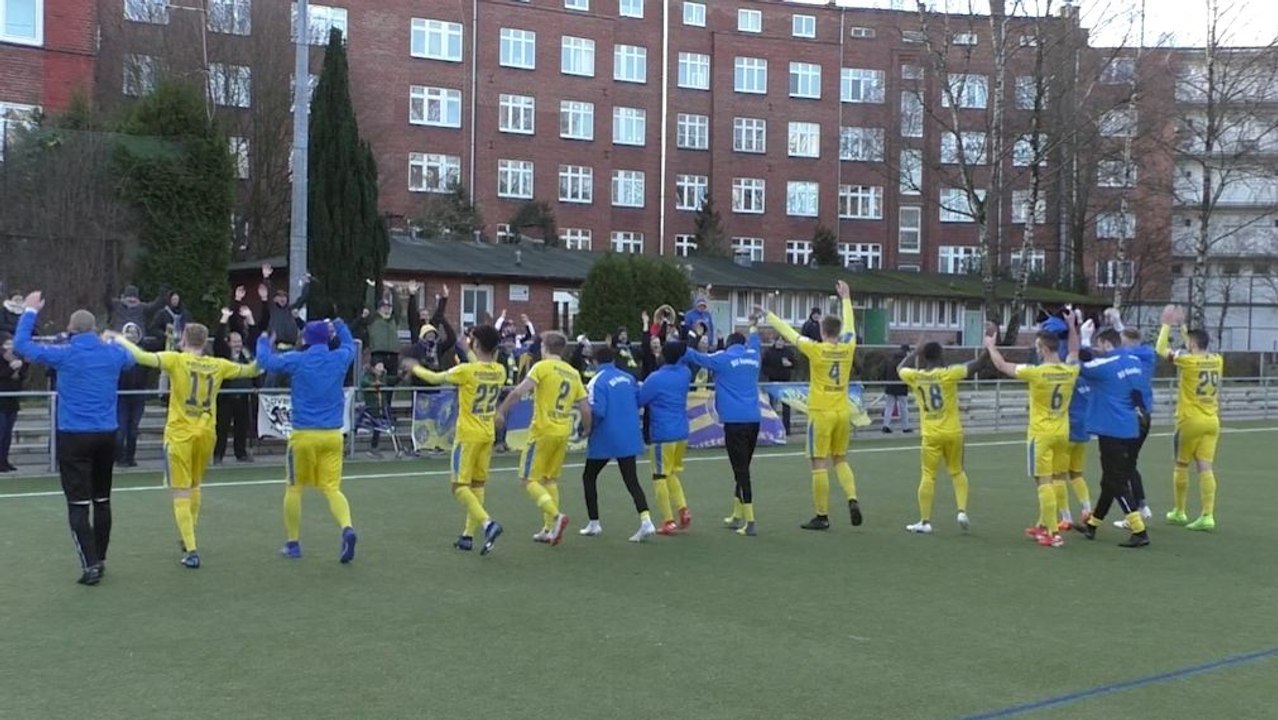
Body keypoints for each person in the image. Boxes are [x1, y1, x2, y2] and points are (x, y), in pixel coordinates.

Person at [113, 324, 261, 568]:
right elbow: (252, 369)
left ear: (184, 339)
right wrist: (264, 350)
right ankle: (187, 534)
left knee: (180, 491)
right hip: (206, 433)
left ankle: (191, 548)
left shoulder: (176, 360)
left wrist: (120, 339)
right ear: (204, 342)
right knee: (195, 485)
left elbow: (141, 356)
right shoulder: (218, 364)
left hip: (180, 434)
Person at [14, 291, 136, 585]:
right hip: (106, 434)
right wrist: (112, 339)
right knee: (103, 500)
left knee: (79, 504)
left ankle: (90, 563)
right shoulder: (111, 352)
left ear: (71, 328)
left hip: (75, 436)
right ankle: (101, 558)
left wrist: (29, 312)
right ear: (94, 329)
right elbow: (131, 358)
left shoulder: (66, 353)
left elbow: (21, 345)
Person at [256, 318, 359, 563]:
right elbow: (350, 345)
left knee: (294, 488)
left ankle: (293, 543)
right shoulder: (339, 357)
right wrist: (340, 324)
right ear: (328, 337)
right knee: (332, 489)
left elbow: (266, 361)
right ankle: (347, 527)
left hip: (304, 435)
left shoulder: (297, 359)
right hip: (334, 434)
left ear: (306, 339)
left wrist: (262, 340)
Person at [761, 280, 862, 531]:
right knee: (840, 459)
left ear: (821, 329)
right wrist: (846, 299)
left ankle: (822, 515)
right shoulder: (848, 346)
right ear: (837, 331)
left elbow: (791, 334)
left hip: (821, 412)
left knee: (819, 463)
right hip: (842, 410)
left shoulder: (816, 349)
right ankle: (852, 498)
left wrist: (769, 315)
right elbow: (850, 324)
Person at [408, 326, 507, 555]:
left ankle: (487, 523)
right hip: (487, 434)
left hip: (468, 436)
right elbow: (480, 367)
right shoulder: (500, 370)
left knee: (459, 487)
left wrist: (415, 367)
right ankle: (467, 535)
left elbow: (435, 378)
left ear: (477, 344)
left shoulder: (466, 371)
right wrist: (466, 348)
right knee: (477, 486)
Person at [985, 322, 1080, 547]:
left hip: (1041, 434)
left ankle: (1053, 532)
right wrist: (1072, 326)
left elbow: (1002, 365)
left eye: (1038, 347)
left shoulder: (1036, 373)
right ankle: (1043, 523)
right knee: (1056, 479)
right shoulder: (1071, 370)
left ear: (1044, 349)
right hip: (1062, 432)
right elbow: (1075, 350)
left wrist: (990, 345)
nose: (1036, 350)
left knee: (1043, 482)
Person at [496, 331, 589, 545]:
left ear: (545, 348)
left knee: (528, 480)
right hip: (562, 432)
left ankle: (556, 516)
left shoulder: (542, 367)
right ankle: (549, 529)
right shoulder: (573, 373)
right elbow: (584, 405)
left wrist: (502, 410)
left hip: (542, 431)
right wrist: (587, 428)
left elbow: (519, 391)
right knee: (549, 479)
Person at [894, 340, 984, 536]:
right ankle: (961, 511)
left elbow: (900, 368)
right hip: (953, 432)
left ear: (924, 357)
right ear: (941, 355)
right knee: (958, 471)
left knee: (928, 475)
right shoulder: (948, 374)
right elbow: (977, 364)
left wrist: (913, 353)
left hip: (931, 434)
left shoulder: (916, 376)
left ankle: (925, 521)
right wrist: (990, 346)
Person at [683, 322, 763, 536]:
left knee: (741, 470)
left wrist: (692, 334)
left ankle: (751, 521)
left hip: (734, 422)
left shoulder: (723, 359)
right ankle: (737, 515)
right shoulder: (754, 356)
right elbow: (756, 341)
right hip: (754, 419)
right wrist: (754, 324)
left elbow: (693, 356)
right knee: (743, 466)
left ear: (728, 345)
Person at [1073, 328, 1150, 548]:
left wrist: (1084, 339)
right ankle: (1093, 525)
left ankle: (1139, 529)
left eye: (1101, 346)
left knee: (1116, 481)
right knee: (1109, 481)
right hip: (1130, 426)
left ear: (1106, 344)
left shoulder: (1107, 366)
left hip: (1112, 428)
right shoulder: (1134, 361)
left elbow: (1081, 364)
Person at [1155, 305, 1223, 532]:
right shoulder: (1217, 359)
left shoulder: (1188, 361)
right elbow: (1192, 346)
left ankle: (1179, 511)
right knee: (1205, 467)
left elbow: (1161, 349)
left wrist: (1167, 323)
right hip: (1212, 421)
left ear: (1193, 344)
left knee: (1181, 464)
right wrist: (1183, 326)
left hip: (1189, 420)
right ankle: (1208, 515)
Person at [579, 345, 654, 541]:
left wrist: (586, 429)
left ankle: (594, 523)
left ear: (595, 361)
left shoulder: (596, 381)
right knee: (632, 481)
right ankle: (646, 520)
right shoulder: (628, 378)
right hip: (628, 436)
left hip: (606, 437)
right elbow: (639, 400)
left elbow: (598, 411)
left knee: (589, 477)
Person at [639, 341, 694, 535]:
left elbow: (640, 399)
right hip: (682, 432)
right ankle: (683, 509)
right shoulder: (685, 374)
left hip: (663, 433)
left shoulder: (655, 378)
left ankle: (668, 520)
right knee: (671, 473)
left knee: (659, 476)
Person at [1116, 317, 1155, 520]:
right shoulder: (1144, 354)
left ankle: (1135, 512)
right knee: (1130, 464)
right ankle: (1141, 506)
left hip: (1134, 417)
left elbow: (1122, 352)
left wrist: (1117, 324)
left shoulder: (1140, 354)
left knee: (1122, 466)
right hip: (1144, 415)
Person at [214, 310, 257, 464]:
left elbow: (253, 337)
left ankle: (241, 453)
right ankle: (218, 455)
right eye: (235, 341)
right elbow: (218, 339)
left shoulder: (246, 354)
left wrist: (249, 318)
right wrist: (224, 318)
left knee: (242, 427)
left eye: (239, 341)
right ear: (229, 342)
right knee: (222, 427)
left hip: (244, 396)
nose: (238, 344)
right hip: (226, 396)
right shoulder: (223, 354)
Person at [115, 323, 152, 468]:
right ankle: (119, 457)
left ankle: (130, 457)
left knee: (133, 429)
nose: (132, 335)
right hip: (121, 395)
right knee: (121, 429)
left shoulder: (143, 353)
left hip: (138, 395)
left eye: (135, 332)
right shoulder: (117, 351)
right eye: (129, 332)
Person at [0, 332, 27, 472]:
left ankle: (4, 460)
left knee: (8, 433)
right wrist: (10, 368)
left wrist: (22, 366)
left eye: (11, 344)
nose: (9, 347)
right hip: (1, 400)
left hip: (12, 401)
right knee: (1, 431)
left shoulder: (17, 358)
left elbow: (23, 377)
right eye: (6, 344)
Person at [760, 334, 796, 435]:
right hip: (773, 382)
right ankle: (773, 428)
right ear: (775, 341)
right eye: (778, 340)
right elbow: (764, 367)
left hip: (785, 381)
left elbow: (795, 364)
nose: (780, 342)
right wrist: (771, 373)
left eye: (782, 341)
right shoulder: (769, 352)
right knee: (772, 406)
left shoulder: (788, 352)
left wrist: (790, 364)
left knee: (786, 406)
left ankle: (786, 428)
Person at [881, 345, 913, 434]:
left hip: (890, 385)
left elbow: (884, 372)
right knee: (903, 407)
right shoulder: (905, 361)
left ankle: (886, 425)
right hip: (901, 386)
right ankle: (905, 427)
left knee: (889, 406)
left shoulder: (891, 360)